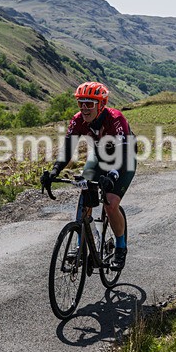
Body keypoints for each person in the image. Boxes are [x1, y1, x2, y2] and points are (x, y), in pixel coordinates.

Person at [40, 82, 136, 270]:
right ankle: (80, 244)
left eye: (89, 104)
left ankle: (120, 247)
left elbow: (124, 156)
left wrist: (113, 176)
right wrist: (54, 171)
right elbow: (68, 149)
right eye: (81, 103)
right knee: (85, 193)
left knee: (110, 203)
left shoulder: (116, 119)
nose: (84, 108)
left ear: (101, 104)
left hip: (124, 159)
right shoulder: (77, 120)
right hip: (99, 158)